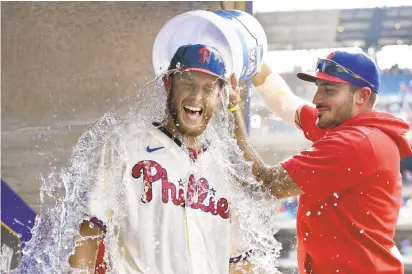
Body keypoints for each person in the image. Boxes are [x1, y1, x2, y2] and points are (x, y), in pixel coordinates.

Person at [69, 44, 251, 274]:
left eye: (208, 88)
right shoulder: (126, 144)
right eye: (187, 83)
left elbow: (239, 262)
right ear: (168, 84)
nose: (197, 96)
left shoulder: (227, 167)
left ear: (219, 96)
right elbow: (90, 229)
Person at [229, 51, 412, 273]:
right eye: (318, 88)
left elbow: (265, 184)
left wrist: (232, 110)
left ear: (362, 96)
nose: (316, 99)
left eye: (329, 91)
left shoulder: (353, 143)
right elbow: (286, 102)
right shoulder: (350, 129)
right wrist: (250, 57)